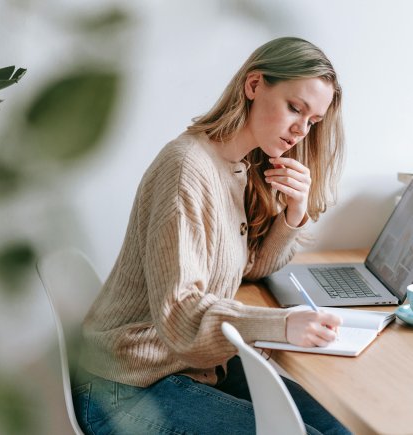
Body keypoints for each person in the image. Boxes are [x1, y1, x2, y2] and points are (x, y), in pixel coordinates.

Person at [73, 36, 351, 434]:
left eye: (312, 121)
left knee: (340, 430)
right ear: (254, 85)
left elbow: (250, 269)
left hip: (190, 367)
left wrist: (294, 214)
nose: (300, 130)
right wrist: (283, 324)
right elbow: (180, 315)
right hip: (124, 386)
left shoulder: (236, 167)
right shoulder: (186, 167)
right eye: (295, 108)